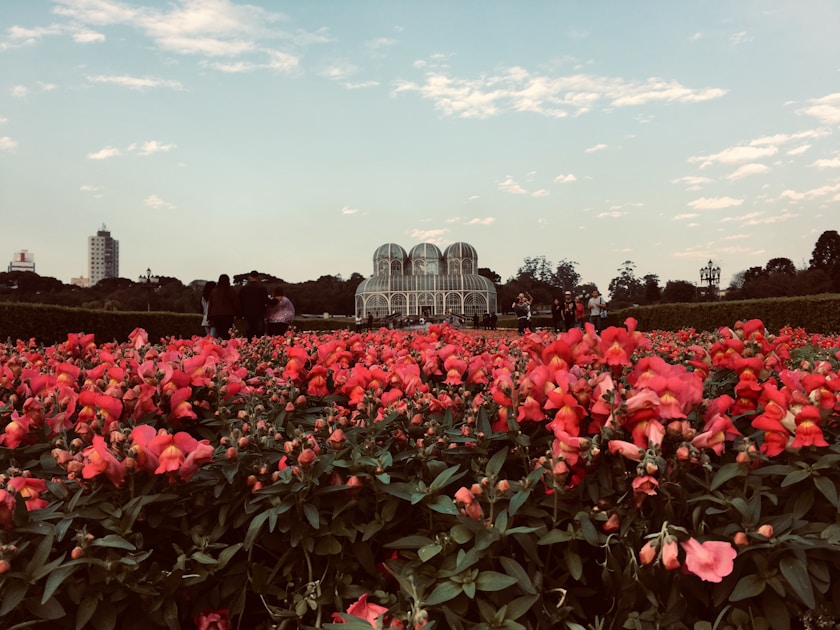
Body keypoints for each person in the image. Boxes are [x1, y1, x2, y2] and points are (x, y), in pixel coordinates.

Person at [238, 271, 270, 338]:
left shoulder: (243, 288)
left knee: (249, 333)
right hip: (259, 313)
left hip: (247, 313)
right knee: (259, 334)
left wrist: (239, 316)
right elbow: (266, 301)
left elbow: (239, 302)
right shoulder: (262, 288)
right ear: (258, 277)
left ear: (249, 277)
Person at [208, 274, 239, 340]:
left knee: (220, 334)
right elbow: (236, 303)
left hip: (216, 315)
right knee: (227, 334)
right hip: (228, 315)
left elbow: (211, 305)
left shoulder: (214, 291)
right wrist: (238, 314)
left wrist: (209, 317)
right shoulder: (231, 290)